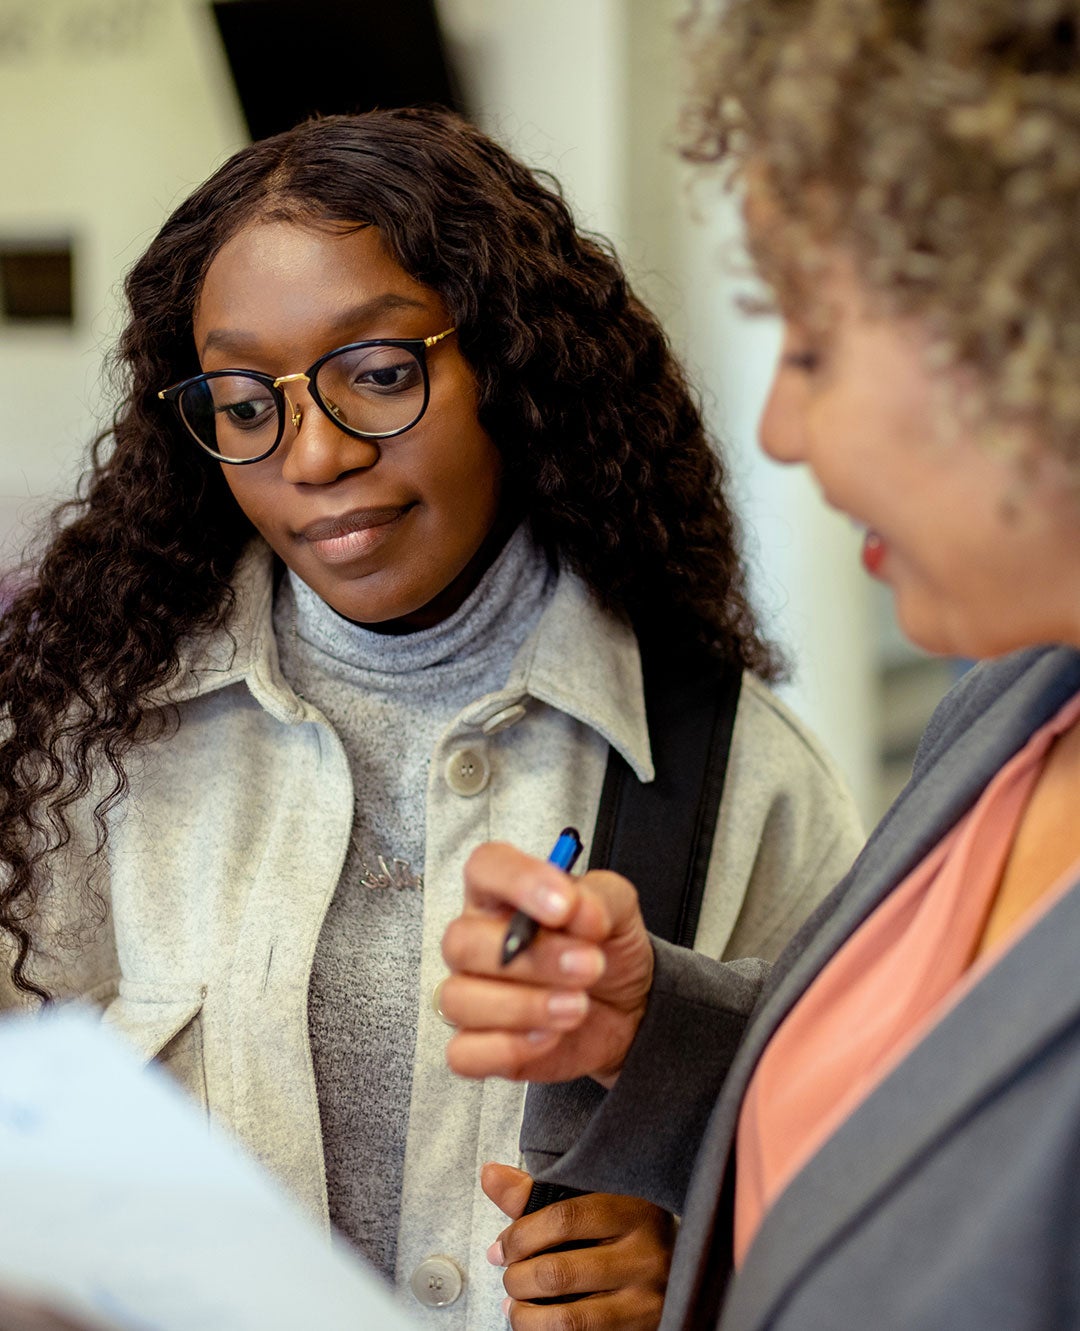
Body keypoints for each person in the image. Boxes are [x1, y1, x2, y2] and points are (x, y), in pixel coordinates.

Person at [0, 108, 863, 1330]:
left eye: (380, 375)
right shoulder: (81, 749)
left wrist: (696, 1274)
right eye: (247, 403)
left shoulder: (734, 777)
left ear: (514, 366)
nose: (312, 454)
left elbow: (869, 1206)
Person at [440, 3, 1080, 1328]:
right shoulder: (1015, 700)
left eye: (816, 342)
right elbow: (913, 1127)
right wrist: (645, 1029)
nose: (780, 429)